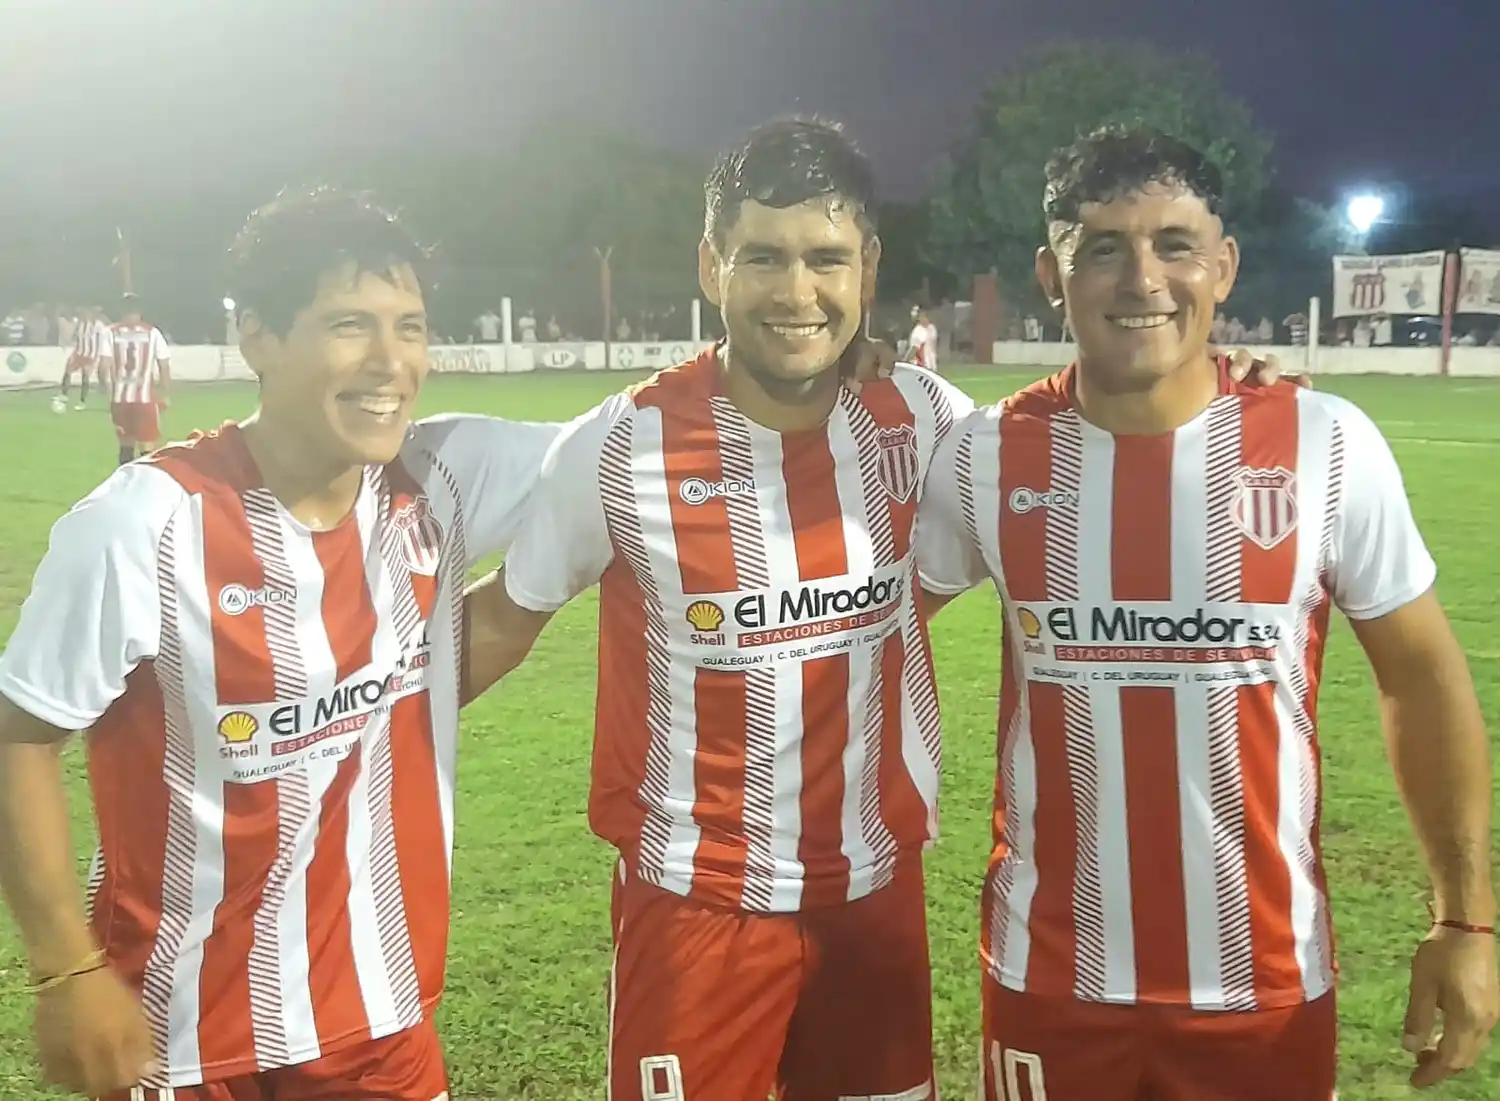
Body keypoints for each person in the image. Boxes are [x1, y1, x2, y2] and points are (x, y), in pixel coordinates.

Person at [461, 117, 1291, 1101]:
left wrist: (1234, 393)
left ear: (868, 267)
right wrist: (342, 715)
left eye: (827, 259)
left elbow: (1085, 447)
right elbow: (503, 622)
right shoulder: (618, 448)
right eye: (762, 258)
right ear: (710, 265)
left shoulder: (924, 419)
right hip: (696, 911)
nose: (796, 292)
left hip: (875, 900)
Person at [913, 124, 1498, 1101]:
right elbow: (855, 628)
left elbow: (1423, 677)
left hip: (1263, 989)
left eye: (1174, 244)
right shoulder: (982, 457)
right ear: (1051, 276)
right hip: (1049, 983)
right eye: (1101, 247)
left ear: (1223, 267)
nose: (1142, 279)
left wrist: (1465, 920)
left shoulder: (1323, 444)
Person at [0, 185, 561, 1101]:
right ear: (258, 335)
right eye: (349, 323)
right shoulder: (143, 525)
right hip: (176, 1032)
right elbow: (18, 736)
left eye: (410, 326)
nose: (391, 361)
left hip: (383, 1020)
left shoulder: (443, 475)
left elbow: (641, 436)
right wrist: (66, 970)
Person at [108, 295, 172, 464]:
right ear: (141, 311)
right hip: (145, 398)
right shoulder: (152, 333)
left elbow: (103, 366)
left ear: (121, 311)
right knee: (147, 447)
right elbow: (164, 365)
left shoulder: (110, 332)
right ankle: (144, 485)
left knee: (125, 445)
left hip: (120, 398)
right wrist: (165, 393)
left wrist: (109, 392)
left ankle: (124, 483)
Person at [60, 306, 113, 411]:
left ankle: (82, 401)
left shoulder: (98, 325)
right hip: (78, 353)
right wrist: (69, 341)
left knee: (85, 376)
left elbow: (109, 329)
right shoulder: (80, 323)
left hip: (90, 355)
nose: (85, 315)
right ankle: (63, 395)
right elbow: (75, 335)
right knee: (68, 371)